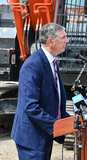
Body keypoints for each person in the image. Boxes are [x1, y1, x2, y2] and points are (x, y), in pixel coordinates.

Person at [11, 23, 70, 160]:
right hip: (31, 139)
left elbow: (52, 101)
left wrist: (70, 120)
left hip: (43, 136)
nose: (67, 41)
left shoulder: (52, 62)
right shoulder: (33, 65)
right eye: (63, 37)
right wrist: (57, 125)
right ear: (50, 41)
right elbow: (30, 106)